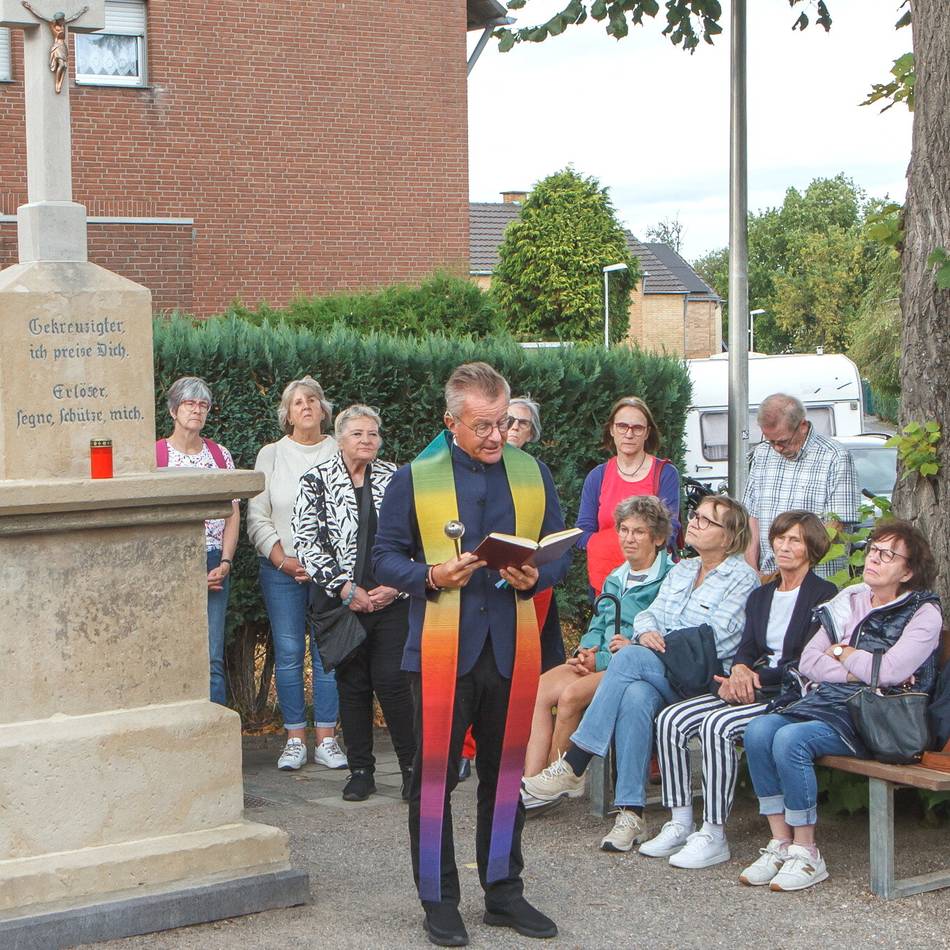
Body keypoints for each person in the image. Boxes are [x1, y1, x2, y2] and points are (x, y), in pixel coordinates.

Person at [373, 362, 571, 947]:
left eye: (503, 422)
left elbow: (559, 549)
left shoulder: (532, 473)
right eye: (481, 425)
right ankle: (438, 901)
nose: (495, 435)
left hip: (510, 647)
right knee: (433, 778)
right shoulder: (415, 478)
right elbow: (382, 558)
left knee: (505, 774)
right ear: (450, 422)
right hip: (441, 649)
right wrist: (431, 575)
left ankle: (504, 892)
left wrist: (537, 575)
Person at [522, 496, 759, 854]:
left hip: (704, 680)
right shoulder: (683, 570)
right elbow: (650, 615)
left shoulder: (742, 578)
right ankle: (631, 814)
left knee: (630, 657)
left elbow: (717, 637)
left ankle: (575, 761)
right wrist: (647, 631)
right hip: (663, 671)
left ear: (728, 536)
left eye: (705, 520)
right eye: (695, 515)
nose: (694, 523)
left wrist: (656, 640)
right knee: (634, 696)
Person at [740, 519, 942, 892]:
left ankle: (807, 852)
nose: (874, 558)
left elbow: (889, 671)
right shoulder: (851, 598)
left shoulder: (923, 612)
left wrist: (842, 653)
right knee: (759, 730)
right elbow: (809, 660)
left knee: (791, 740)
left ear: (908, 571)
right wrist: (851, 665)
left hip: (877, 718)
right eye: (873, 549)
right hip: (829, 702)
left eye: (888, 555)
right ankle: (780, 842)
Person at [641, 511, 836, 869]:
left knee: (717, 726)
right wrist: (740, 670)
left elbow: (808, 659)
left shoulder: (823, 595)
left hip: (789, 693)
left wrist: (753, 679)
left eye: (794, 540)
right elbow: (746, 648)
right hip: (748, 685)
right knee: (671, 719)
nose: (783, 546)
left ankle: (714, 832)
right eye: (779, 538)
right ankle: (681, 821)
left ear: (812, 548)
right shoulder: (762, 595)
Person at [294, 405, 416, 802]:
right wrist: (345, 588)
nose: (366, 440)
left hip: (390, 600)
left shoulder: (398, 479)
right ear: (340, 439)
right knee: (352, 686)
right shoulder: (315, 480)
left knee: (394, 684)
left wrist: (396, 586)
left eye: (372, 434)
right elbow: (307, 542)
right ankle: (360, 771)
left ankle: (412, 770)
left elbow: (418, 537)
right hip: (342, 604)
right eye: (357, 434)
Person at [522, 496, 674, 806]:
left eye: (639, 532)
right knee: (538, 689)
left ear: (658, 538)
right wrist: (585, 649)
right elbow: (599, 620)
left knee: (570, 696)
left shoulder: (669, 578)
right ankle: (531, 781)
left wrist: (600, 659)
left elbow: (656, 635)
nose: (628, 538)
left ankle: (555, 782)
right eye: (624, 530)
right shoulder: (616, 576)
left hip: (631, 667)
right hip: (598, 659)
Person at [246, 376, 344, 772]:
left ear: (323, 410)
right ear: (287, 414)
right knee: (288, 654)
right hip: (281, 570)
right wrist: (281, 558)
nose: (305, 406)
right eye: (297, 402)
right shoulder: (270, 455)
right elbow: (257, 514)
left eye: (312, 400)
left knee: (327, 655)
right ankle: (294, 740)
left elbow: (351, 511)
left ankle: (327, 740)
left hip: (331, 574)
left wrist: (328, 563)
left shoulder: (340, 449)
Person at [157, 376, 239, 706]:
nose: (197, 410)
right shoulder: (155, 456)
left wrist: (226, 562)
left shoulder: (219, 456)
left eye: (203, 405)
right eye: (189, 403)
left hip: (214, 561)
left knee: (212, 655)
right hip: (169, 565)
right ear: (173, 410)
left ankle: (215, 727)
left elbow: (232, 513)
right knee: (169, 651)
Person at [744, 393, 859, 579]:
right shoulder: (762, 453)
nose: (777, 448)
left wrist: (786, 573)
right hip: (766, 577)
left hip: (817, 578)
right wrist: (752, 569)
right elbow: (752, 516)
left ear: (803, 426)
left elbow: (835, 526)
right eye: (771, 441)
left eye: (783, 441)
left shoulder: (835, 457)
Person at [576, 397, 681, 598]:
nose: (629, 433)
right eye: (622, 426)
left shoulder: (665, 474)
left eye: (637, 428)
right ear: (612, 429)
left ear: (647, 432)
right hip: (605, 584)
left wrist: (631, 547)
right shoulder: (597, 476)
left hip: (652, 585)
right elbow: (582, 531)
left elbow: (670, 529)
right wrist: (608, 548)